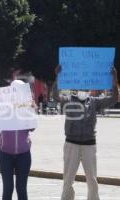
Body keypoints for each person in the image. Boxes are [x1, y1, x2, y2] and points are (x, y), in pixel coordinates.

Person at [52, 65, 119, 200]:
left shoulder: (94, 102)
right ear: (76, 87)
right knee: (68, 180)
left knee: (92, 181)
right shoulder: (68, 99)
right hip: (71, 144)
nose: (83, 89)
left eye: (86, 87)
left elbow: (114, 98)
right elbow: (55, 96)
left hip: (89, 144)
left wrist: (114, 78)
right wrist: (57, 76)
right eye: (80, 86)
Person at [0, 80, 36, 200]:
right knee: (8, 188)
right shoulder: (2, 106)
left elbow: (32, 128)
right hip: (5, 154)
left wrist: (30, 110)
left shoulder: (28, 105)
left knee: (21, 188)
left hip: (23, 154)